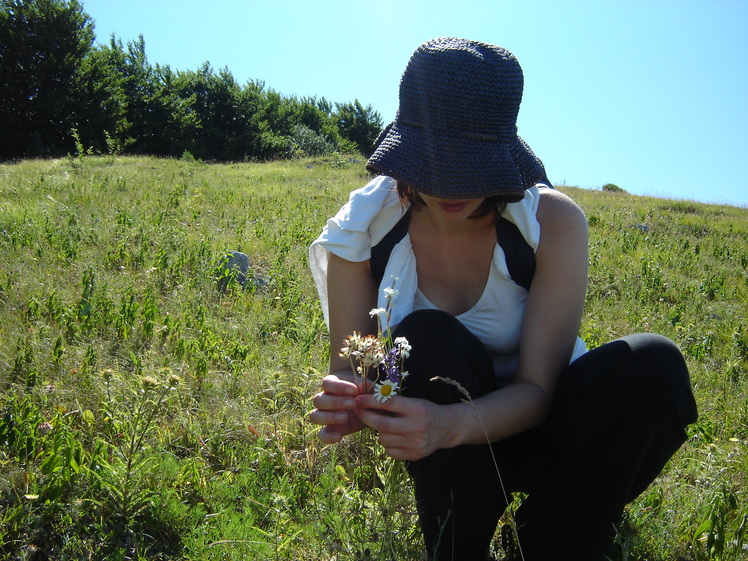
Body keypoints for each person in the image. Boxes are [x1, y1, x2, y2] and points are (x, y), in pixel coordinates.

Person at [308, 37, 697, 561]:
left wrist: (453, 424)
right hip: (444, 449)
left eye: (471, 164)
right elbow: (352, 367)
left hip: (544, 429)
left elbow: (539, 388)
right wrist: (351, 401)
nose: (451, 185)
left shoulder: (550, 224)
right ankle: (457, 546)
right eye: (434, 162)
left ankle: (552, 535)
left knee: (654, 367)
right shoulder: (362, 230)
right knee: (424, 337)